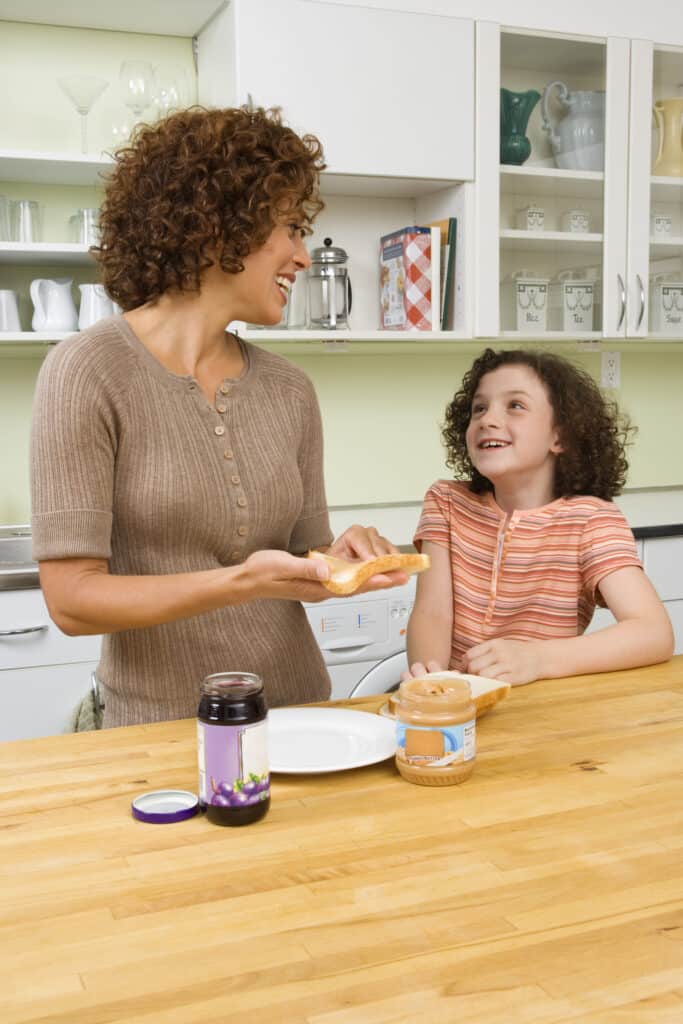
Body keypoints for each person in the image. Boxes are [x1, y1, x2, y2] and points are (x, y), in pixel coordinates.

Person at [30, 106, 406, 728]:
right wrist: (242, 582)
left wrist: (343, 557)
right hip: (158, 731)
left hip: (301, 714)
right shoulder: (87, 372)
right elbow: (72, 602)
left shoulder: (290, 389)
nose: (303, 256)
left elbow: (300, 555)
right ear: (219, 226)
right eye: (288, 227)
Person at [407, 348, 674, 685]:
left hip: (546, 706)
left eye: (515, 406)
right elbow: (432, 613)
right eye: (479, 408)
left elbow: (653, 632)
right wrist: (434, 683)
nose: (488, 419)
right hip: (461, 705)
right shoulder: (446, 502)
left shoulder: (590, 520)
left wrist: (536, 659)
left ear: (559, 436)